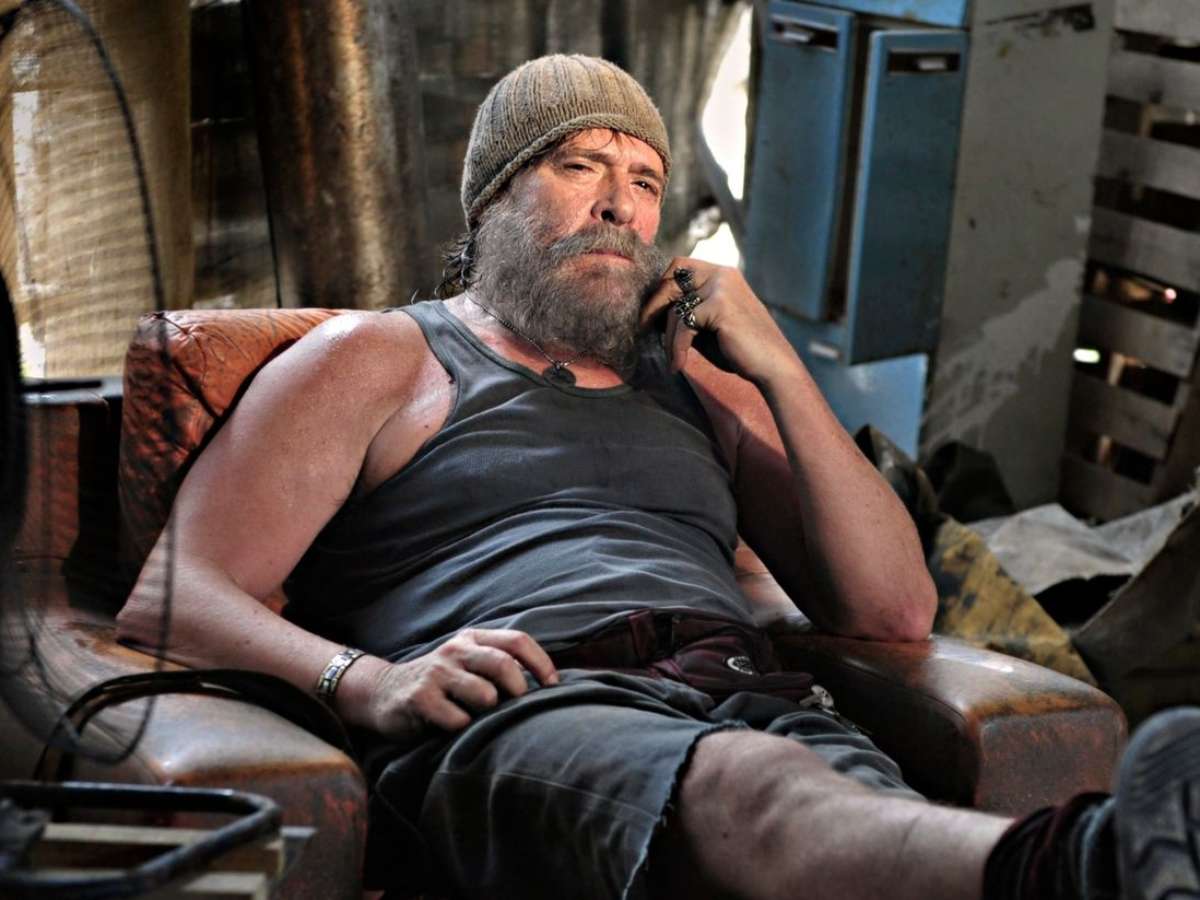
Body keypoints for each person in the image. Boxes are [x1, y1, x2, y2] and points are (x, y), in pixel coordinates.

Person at [116, 54, 1199, 900]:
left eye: (644, 181)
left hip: (747, 693)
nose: (619, 205)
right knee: (760, 793)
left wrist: (778, 368)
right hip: (526, 710)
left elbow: (892, 610)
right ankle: (1087, 864)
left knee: (847, 816)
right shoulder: (382, 359)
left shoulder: (697, 382)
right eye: (578, 165)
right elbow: (174, 596)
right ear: (491, 202)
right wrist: (369, 682)